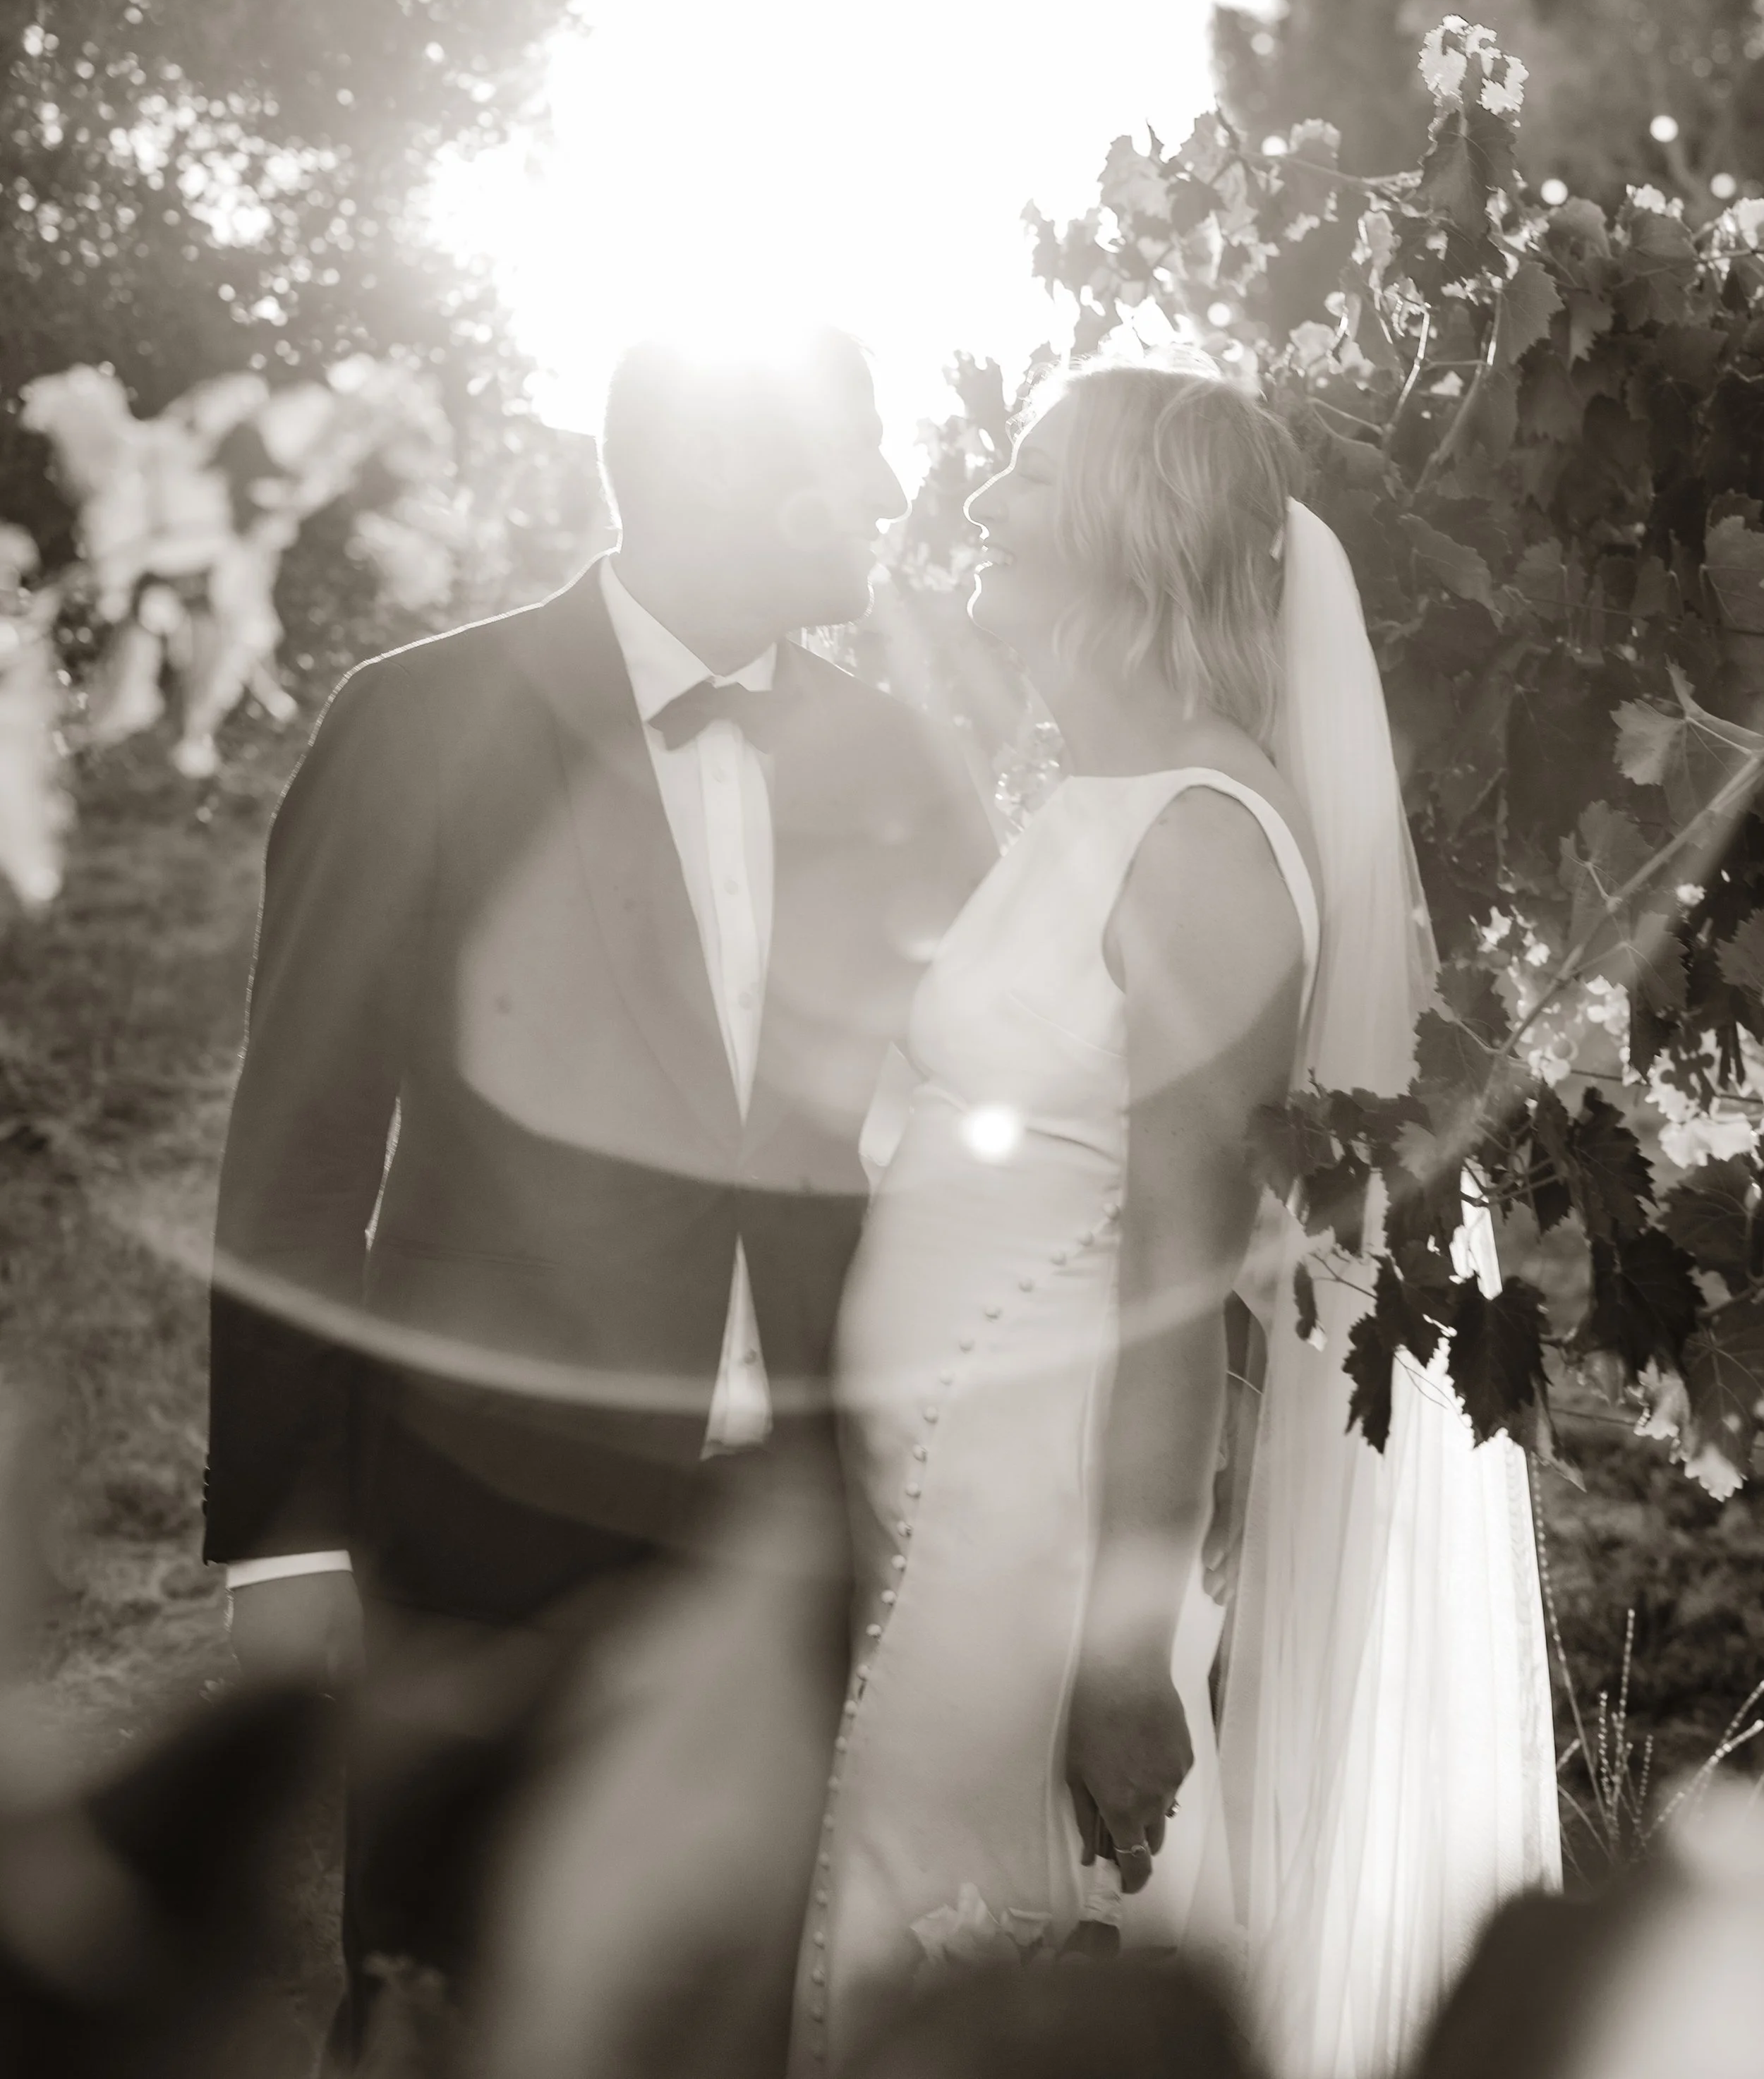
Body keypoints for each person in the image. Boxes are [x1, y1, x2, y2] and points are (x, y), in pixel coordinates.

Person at [203, 325, 996, 2044]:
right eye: (850, 454)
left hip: (788, 1527)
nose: (880, 492)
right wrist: (281, 1549)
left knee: (716, 2015)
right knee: (442, 1995)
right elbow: (300, 1151)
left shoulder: (898, 761)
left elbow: (973, 1113)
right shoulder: (415, 724)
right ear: (722, 475)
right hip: (474, 1515)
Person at [795, 363, 1559, 2078]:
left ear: (1137, 527)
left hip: (1044, 1525)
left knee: (964, 1944)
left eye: (1030, 473)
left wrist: (1125, 1652)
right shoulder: (1090, 807)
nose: (982, 501)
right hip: (948, 1496)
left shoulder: (1205, 838)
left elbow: (1171, 1269)